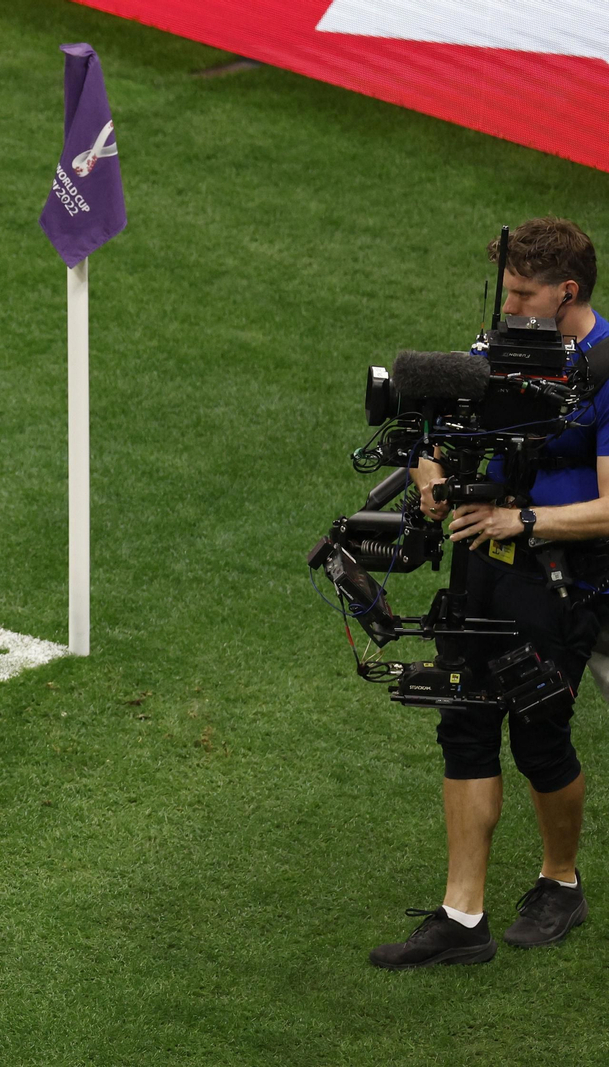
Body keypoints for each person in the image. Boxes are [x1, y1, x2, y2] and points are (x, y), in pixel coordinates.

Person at [380, 217, 609, 968]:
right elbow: (432, 438)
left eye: (522, 294)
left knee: (540, 732)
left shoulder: (606, 368)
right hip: (479, 568)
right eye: (505, 291)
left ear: (566, 291)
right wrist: (432, 481)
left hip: (562, 579)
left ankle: (560, 881)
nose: (507, 307)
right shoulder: (494, 353)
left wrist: (525, 519)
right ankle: (462, 916)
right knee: (466, 722)